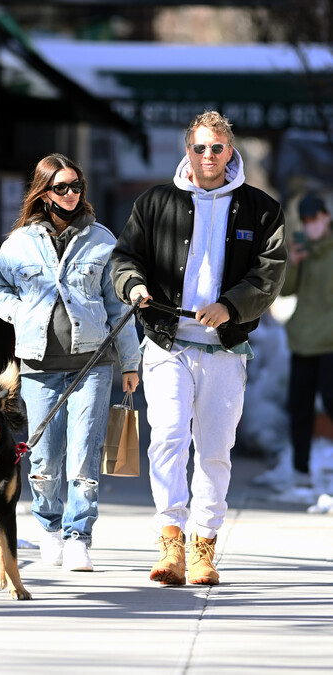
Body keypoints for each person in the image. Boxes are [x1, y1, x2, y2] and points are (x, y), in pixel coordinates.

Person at [111, 110, 286, 586]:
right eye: (199, 147)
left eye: (217, 147)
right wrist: (134, 286)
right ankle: (171, 541)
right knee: (167, 436)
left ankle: (204, 545)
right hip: (167, 343)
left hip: (225, 350)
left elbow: (270, 272)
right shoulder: (155, 202)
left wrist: (231, 306)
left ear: (231, 150)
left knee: (214, 450)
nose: (208, 156)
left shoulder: (261, 208)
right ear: (187, 150)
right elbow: (125, 257)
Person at [0, 153, 140, 572]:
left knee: (84, 453)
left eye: (76, 187)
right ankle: (49, 528)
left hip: (92, 364)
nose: (71, 195)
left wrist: (130, 363)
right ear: (44, 192)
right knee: (45, 459)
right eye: (62, 188)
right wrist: (19, 312)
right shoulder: (19, 243)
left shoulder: (102, 240)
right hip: (39, 365)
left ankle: (78, 537)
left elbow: (116, 303)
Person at [280, 192, 333, 486]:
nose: (312, 224)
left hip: (330, 341)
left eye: (316, 218)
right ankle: (301, 470)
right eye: (307, 219)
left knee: (331, 402)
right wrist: (295, 263)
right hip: (303, 339)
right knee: (299, 406)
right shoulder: (299, 245)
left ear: (326, 216)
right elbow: (285, 291)